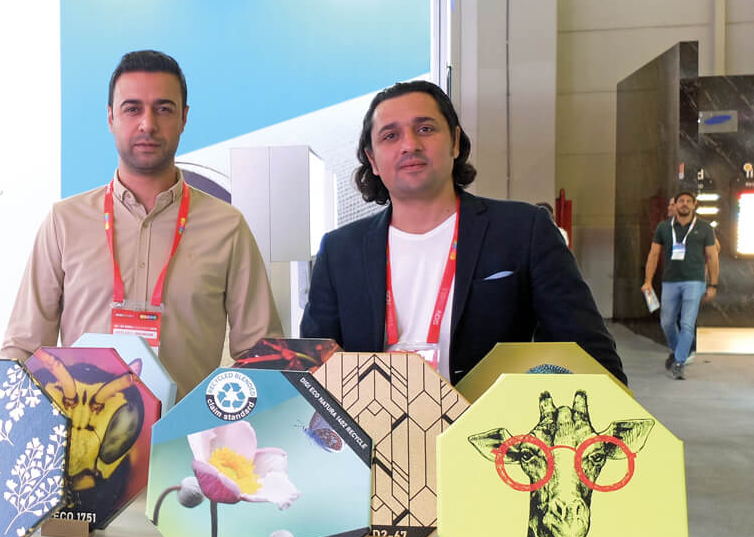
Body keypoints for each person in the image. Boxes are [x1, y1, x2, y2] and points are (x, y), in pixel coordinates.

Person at [300, 80, 626, 384]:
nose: (410, 144)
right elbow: (314, 366)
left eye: (425, 129)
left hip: (489, 423)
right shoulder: (340, 250)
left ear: (455, 142)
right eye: (390, 136)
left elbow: (590, 356)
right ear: (372, 159)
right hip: (371, 423)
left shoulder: (523, 230)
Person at [1, 50, 280, 397]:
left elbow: (262, 356)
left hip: (186, 429)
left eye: (163, 109)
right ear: (110, 118)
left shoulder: (227, 227)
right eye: (132, 109)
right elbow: (24, 351)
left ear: (184, 118)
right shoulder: (64, 222)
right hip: (82, 427)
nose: (147, 124)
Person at [642, 190, 718, 380]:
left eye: (688, 201)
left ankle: (679, 362)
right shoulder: (664, 228)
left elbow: (712, 256)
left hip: (694, 281)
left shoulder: (704, 228)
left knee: (686, 323)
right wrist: (648, 281)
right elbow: (653, 254)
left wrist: (713, 284)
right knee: (667, 322)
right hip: (670, 281)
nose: (684, 204)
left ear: (694, 205)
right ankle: (678, 351)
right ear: (674, 205)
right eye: (681, 201)